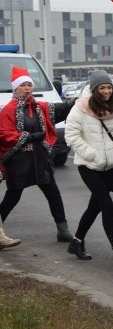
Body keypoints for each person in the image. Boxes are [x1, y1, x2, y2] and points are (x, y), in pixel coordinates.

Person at [63, 70, 113, 264]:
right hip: (88, 165)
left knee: (95, 206)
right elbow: (72, 136)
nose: (106, 91)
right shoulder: (81, 108)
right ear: (94, 89)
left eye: (109, 87)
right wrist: (92, 154)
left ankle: (76, 241)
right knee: (106, 205)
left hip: (110, 165)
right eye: (101, 87)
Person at [0, 66, 74, 242]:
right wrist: (29, 137)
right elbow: (4, 134)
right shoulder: (9, 109)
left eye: (29, 85)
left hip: (40, 158)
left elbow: (61, 109)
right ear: (15, 88)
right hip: (19, 160)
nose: (27, 88)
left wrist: (77, 102)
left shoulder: (40, 106)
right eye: (23, 85)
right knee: (13, 195)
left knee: (53, 193)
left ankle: (63, 230)